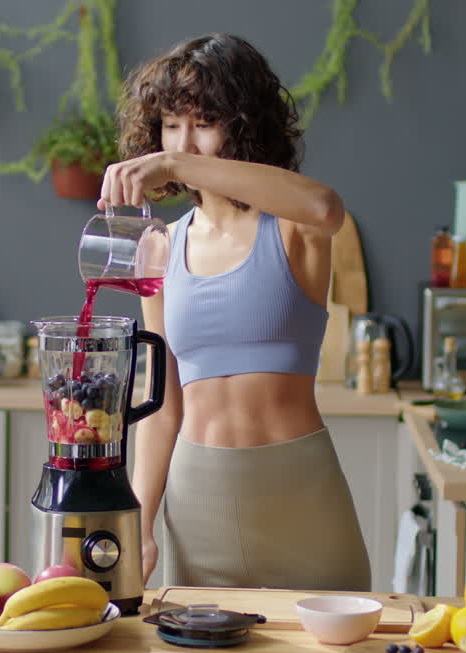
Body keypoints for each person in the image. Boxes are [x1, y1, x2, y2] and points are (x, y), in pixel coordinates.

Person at [100, 33, 371, 591]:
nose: (183, 143)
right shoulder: (159, 247)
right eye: (171, 125)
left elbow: (327, 206)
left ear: (244, 125)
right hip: (197, 502)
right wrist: (140, 520)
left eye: (203, 122)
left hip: (302, 497)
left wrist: (180, 163)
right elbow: (159, 405)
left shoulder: (295, 226)